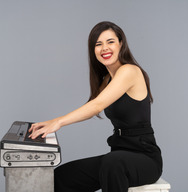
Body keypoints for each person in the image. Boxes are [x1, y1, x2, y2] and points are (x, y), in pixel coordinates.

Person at [29, 21, 162, 192]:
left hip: (145, 158)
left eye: (110, 42)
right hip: (118, 154)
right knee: (61, 177)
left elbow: (97, 106)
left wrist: (58, 122)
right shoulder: (106, 81)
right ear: (93, 50)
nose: (104, 48)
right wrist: (50, 123)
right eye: (98, 44)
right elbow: (90, 108)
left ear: (121, 44)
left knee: (112, 164)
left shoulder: (130, 71)